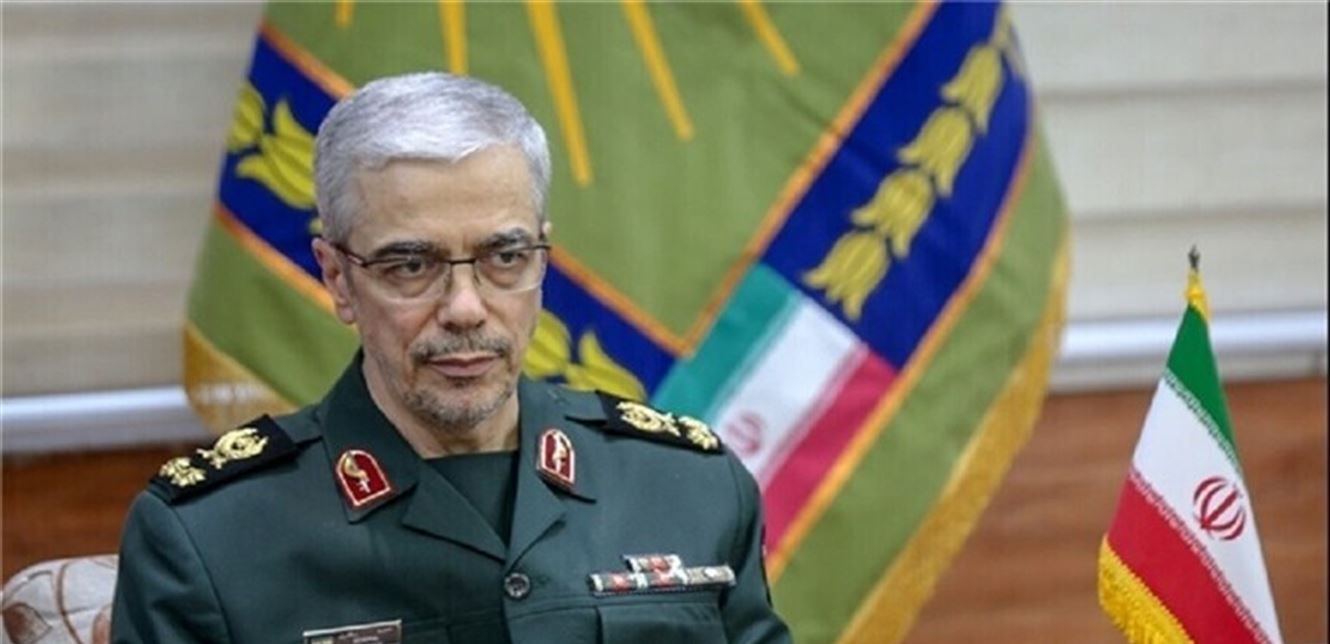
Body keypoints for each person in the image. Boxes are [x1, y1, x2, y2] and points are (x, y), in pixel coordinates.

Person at [110, 72, 790, 644]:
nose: (465, 307)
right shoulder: (210, 540)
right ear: (337, 278)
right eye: (410, 265)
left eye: (504, 257)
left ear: (542, 258)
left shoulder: (690, 487)